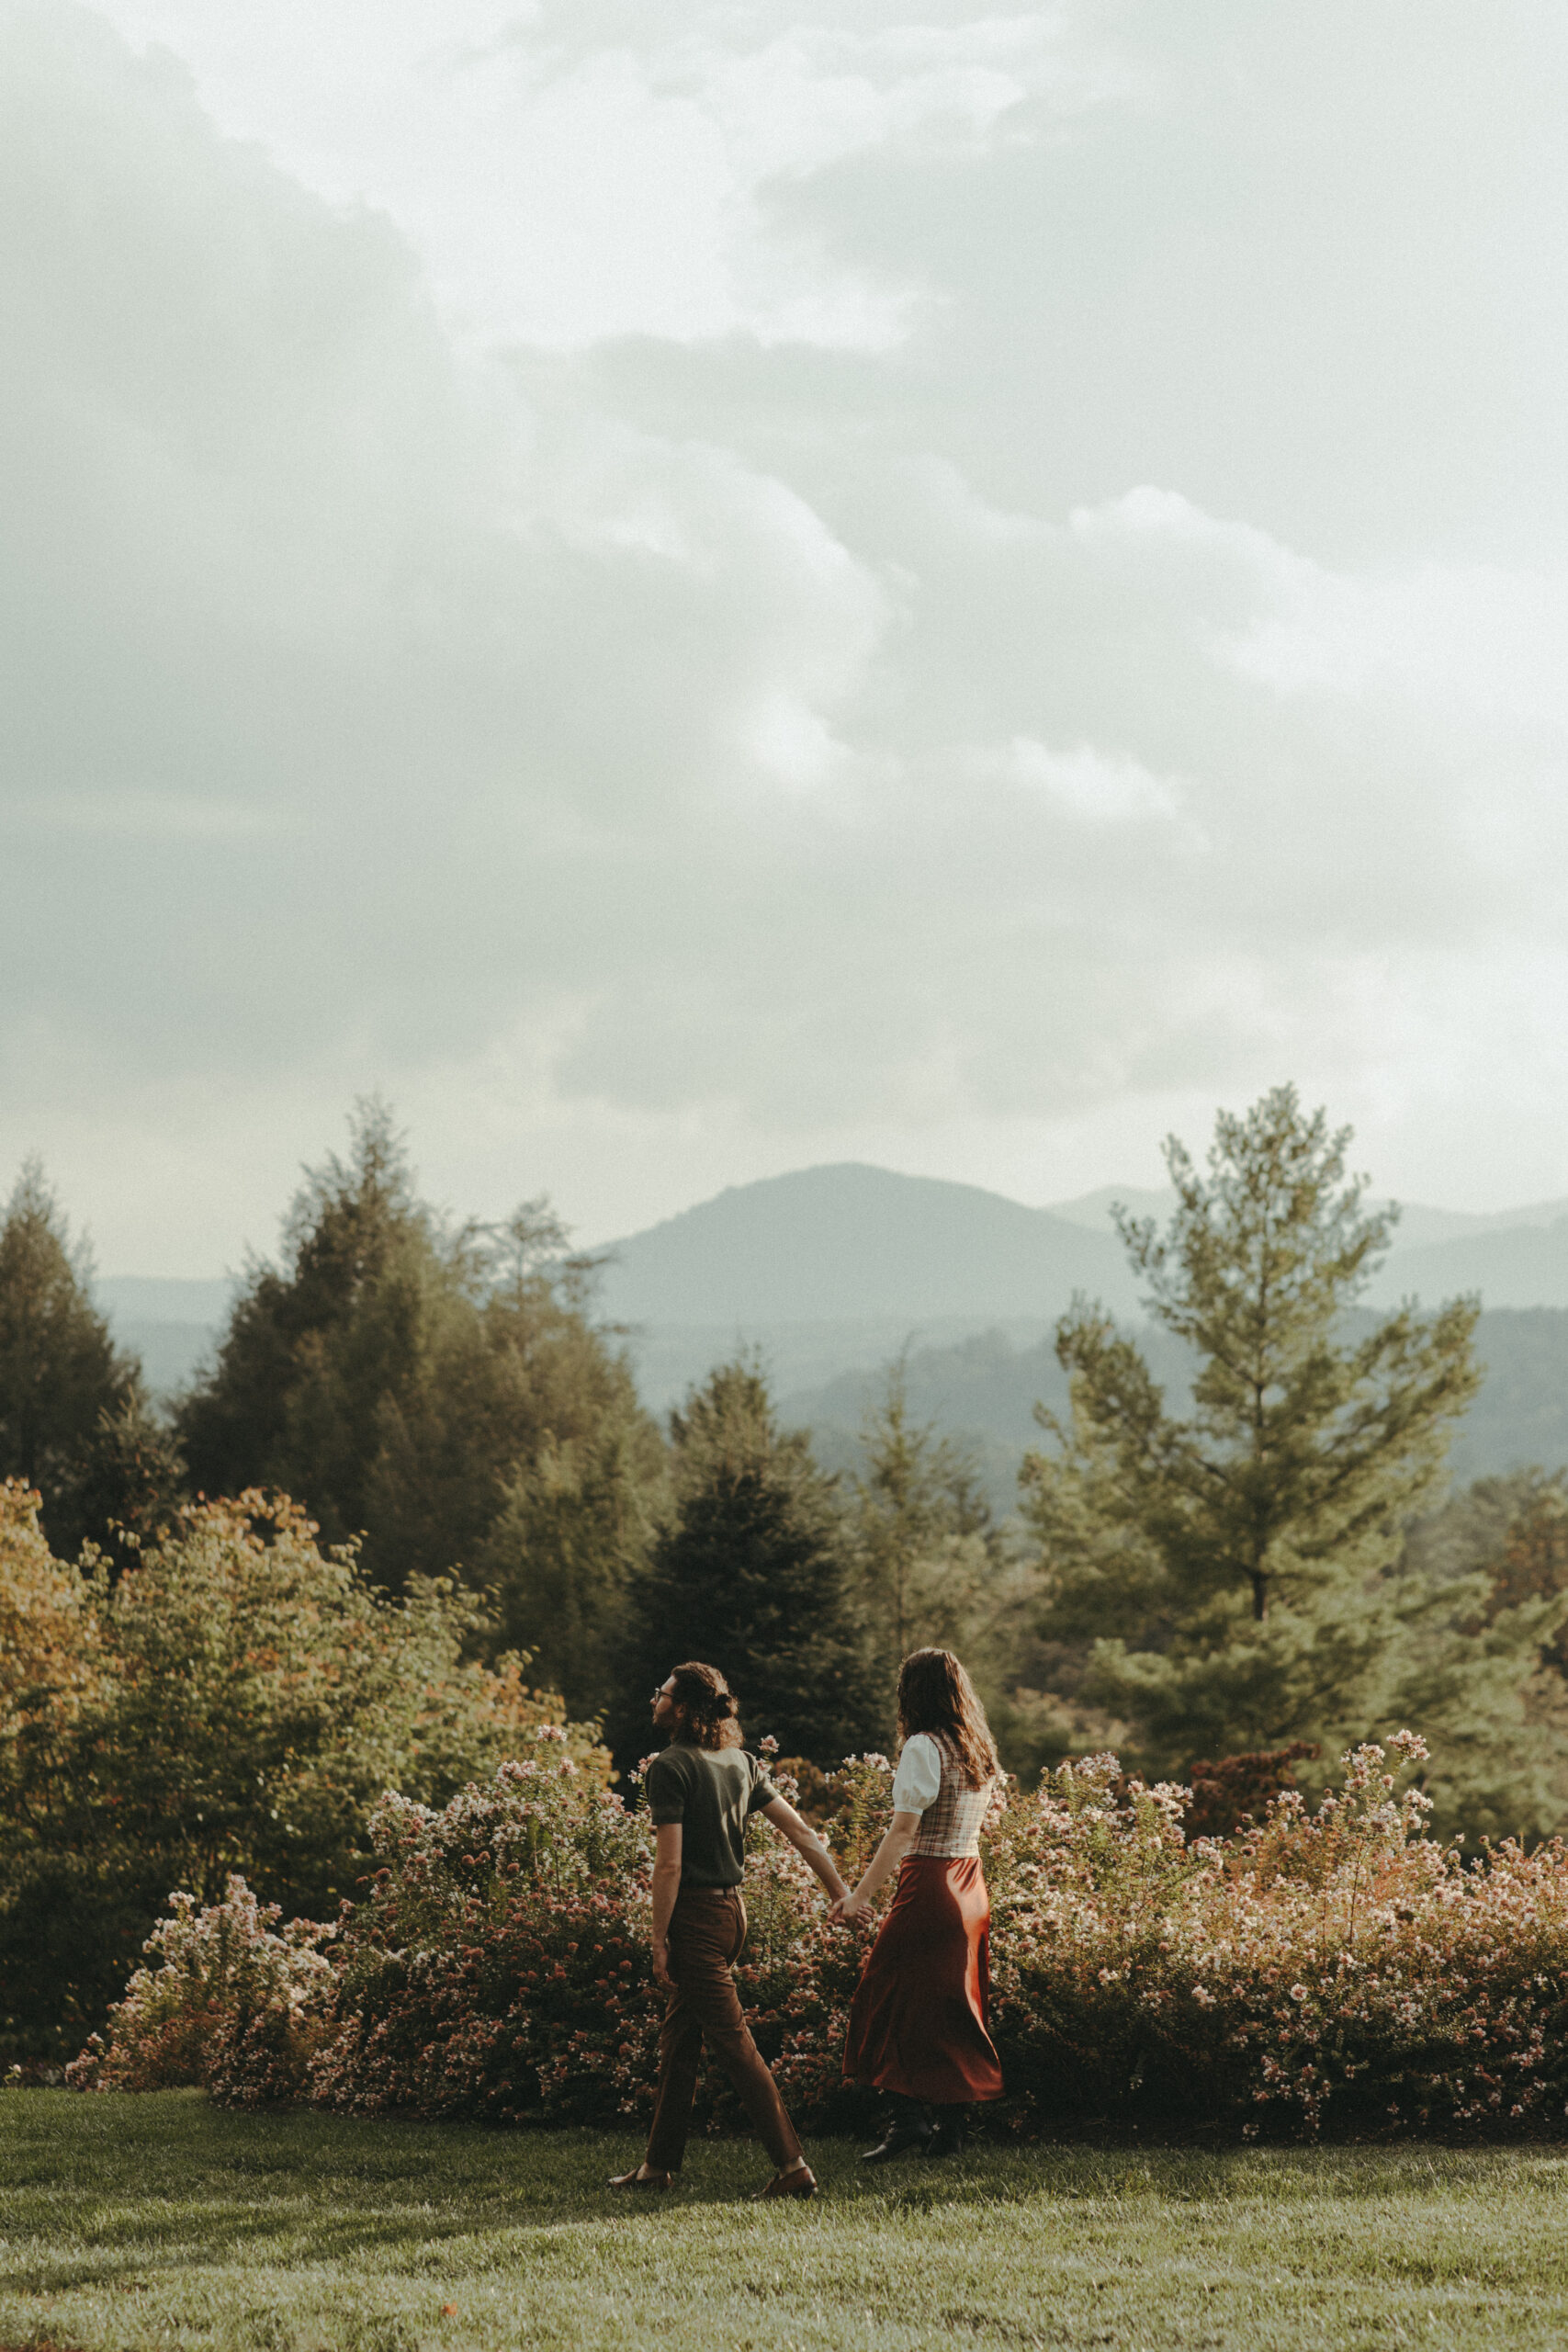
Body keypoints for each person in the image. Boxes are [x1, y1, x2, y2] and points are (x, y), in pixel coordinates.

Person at [609, 1659, 850, 2199]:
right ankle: (656, 2166)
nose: (655, 1700)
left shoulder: (669, 1766)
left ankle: (793, 2168)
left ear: (686, 1708)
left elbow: (668, 1866)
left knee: (734, 2043)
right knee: (679, 2040)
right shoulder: (740, 1762)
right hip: (732, 1916)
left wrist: (657, 1939)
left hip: (695, 1920)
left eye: (663, 1693)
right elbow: (803, 1832)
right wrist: (841, 1893)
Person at [835, 1646, 1005, 2160]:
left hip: (932, 1882)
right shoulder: (976, 1747)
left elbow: (904, 1829)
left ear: (912, 1693)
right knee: (955, 2005)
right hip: (971, 1886)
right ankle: (949, 2130)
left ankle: (908, 2120)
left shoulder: (922, 1747)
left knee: (888, 1994)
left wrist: (858, 1896)